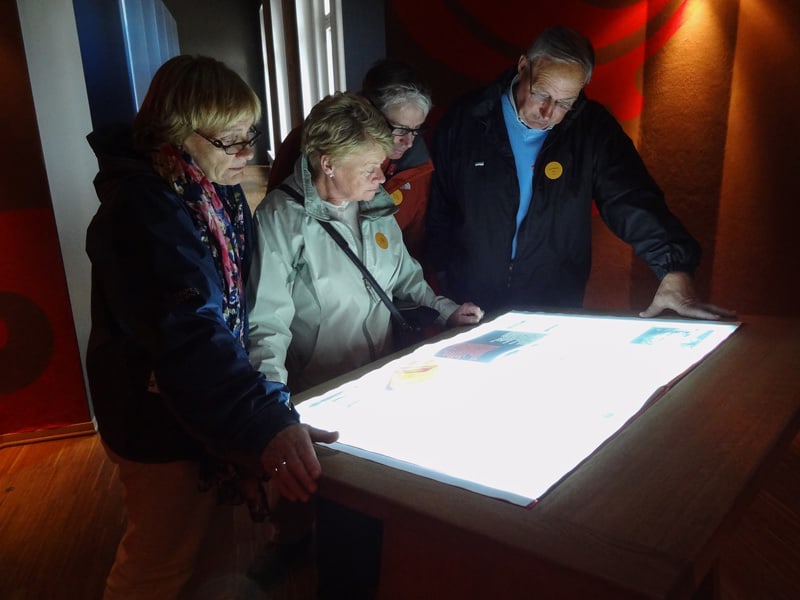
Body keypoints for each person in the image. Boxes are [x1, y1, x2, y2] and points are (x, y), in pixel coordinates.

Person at [84, 55, 338, 599]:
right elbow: (189, 331)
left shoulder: (212, 191)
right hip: (153, 418)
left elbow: (233, 307)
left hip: (198, 408)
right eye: (231, 140)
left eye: (251, 135)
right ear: (176, 134)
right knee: (157, 563)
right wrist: (261, 420)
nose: (249, 154)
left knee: (200, 554)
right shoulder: (139, 211)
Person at [427, 25, 736, 321]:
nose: (548, 112)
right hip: (470, 303)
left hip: (554, 302)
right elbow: (438, 208)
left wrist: (673, 268)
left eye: (564, 103)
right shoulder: (466, 119)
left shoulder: (592, 129)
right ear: (523, 67)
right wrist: (443, 282)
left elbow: (630, 199)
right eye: (541, 94)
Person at [248, 90, 483, 393]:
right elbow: (266, 325)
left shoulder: (375, 205)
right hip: (319, 389)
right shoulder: (280, 218)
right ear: (328, 164)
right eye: (369, 168)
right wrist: (272, 405)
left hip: (381, 379)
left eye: (380, 165)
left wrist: (446, 311)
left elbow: (405, 278)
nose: (381, 178)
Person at [267, 59, 435, 267]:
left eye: (416, 130)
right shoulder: (306, 144)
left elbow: (414, 252)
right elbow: (277, 224)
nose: (409, 142)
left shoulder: (419, 169)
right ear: (368, 111)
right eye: (399, 128)